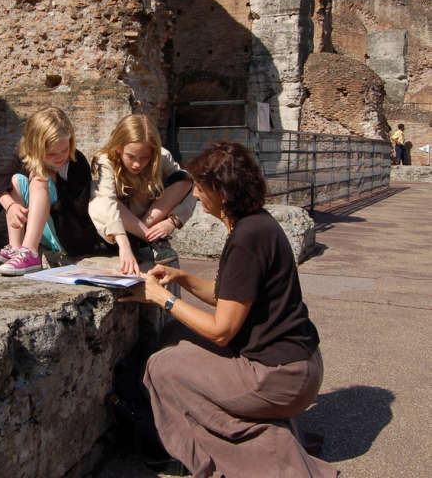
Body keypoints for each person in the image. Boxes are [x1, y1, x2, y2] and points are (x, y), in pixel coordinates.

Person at [120, 141, 338, 477]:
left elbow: (222, 331)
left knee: (161, 368)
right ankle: (251, 429)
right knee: (177, 333)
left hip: (281, 377)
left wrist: (163, 298)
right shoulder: (257, 224)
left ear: (222, 192)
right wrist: (182, 278)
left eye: (201, 189)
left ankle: (259, 449)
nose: (195, 196)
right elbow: (232, 296)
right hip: (299, 366)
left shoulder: (247, 238)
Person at [0, 106, 99, 276]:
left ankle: (30, 252)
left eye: (65, 150)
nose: (60, 157)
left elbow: (80, 209)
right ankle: (16, 248)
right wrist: (10, 206)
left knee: (39, 179)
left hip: (71, 235)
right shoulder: (27, 157)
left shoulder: (77, 163)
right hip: (44, 227)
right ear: (35, 148)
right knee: (16, 180)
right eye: (52, 153)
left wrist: (55, 182)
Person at [89, 114, 196, 275]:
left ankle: (148, 236)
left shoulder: (162, 156)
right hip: (119, 230)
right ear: (118, 148)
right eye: (131, 157)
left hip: (149, 222)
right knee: (101, 199)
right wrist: (124, 245)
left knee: (185, 179)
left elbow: (191, 188)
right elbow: (105, 202)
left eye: (145, 158)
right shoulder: (104, 161)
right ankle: (151, 239)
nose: (137, 164)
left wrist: (173, 222)